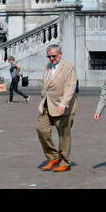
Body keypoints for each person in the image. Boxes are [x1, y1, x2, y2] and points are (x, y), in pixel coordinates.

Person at [36, 43, 78, 172]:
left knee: (64, 136)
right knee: (41, 130)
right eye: (49, 56)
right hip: (47, 105)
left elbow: (71, 86)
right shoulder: (48, 66)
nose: (51, 59)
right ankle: (53, 157)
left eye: (54, 56)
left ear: (60, 54)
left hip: (63, 107)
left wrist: (63, 103)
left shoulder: (69, 67)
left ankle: (65, 163)